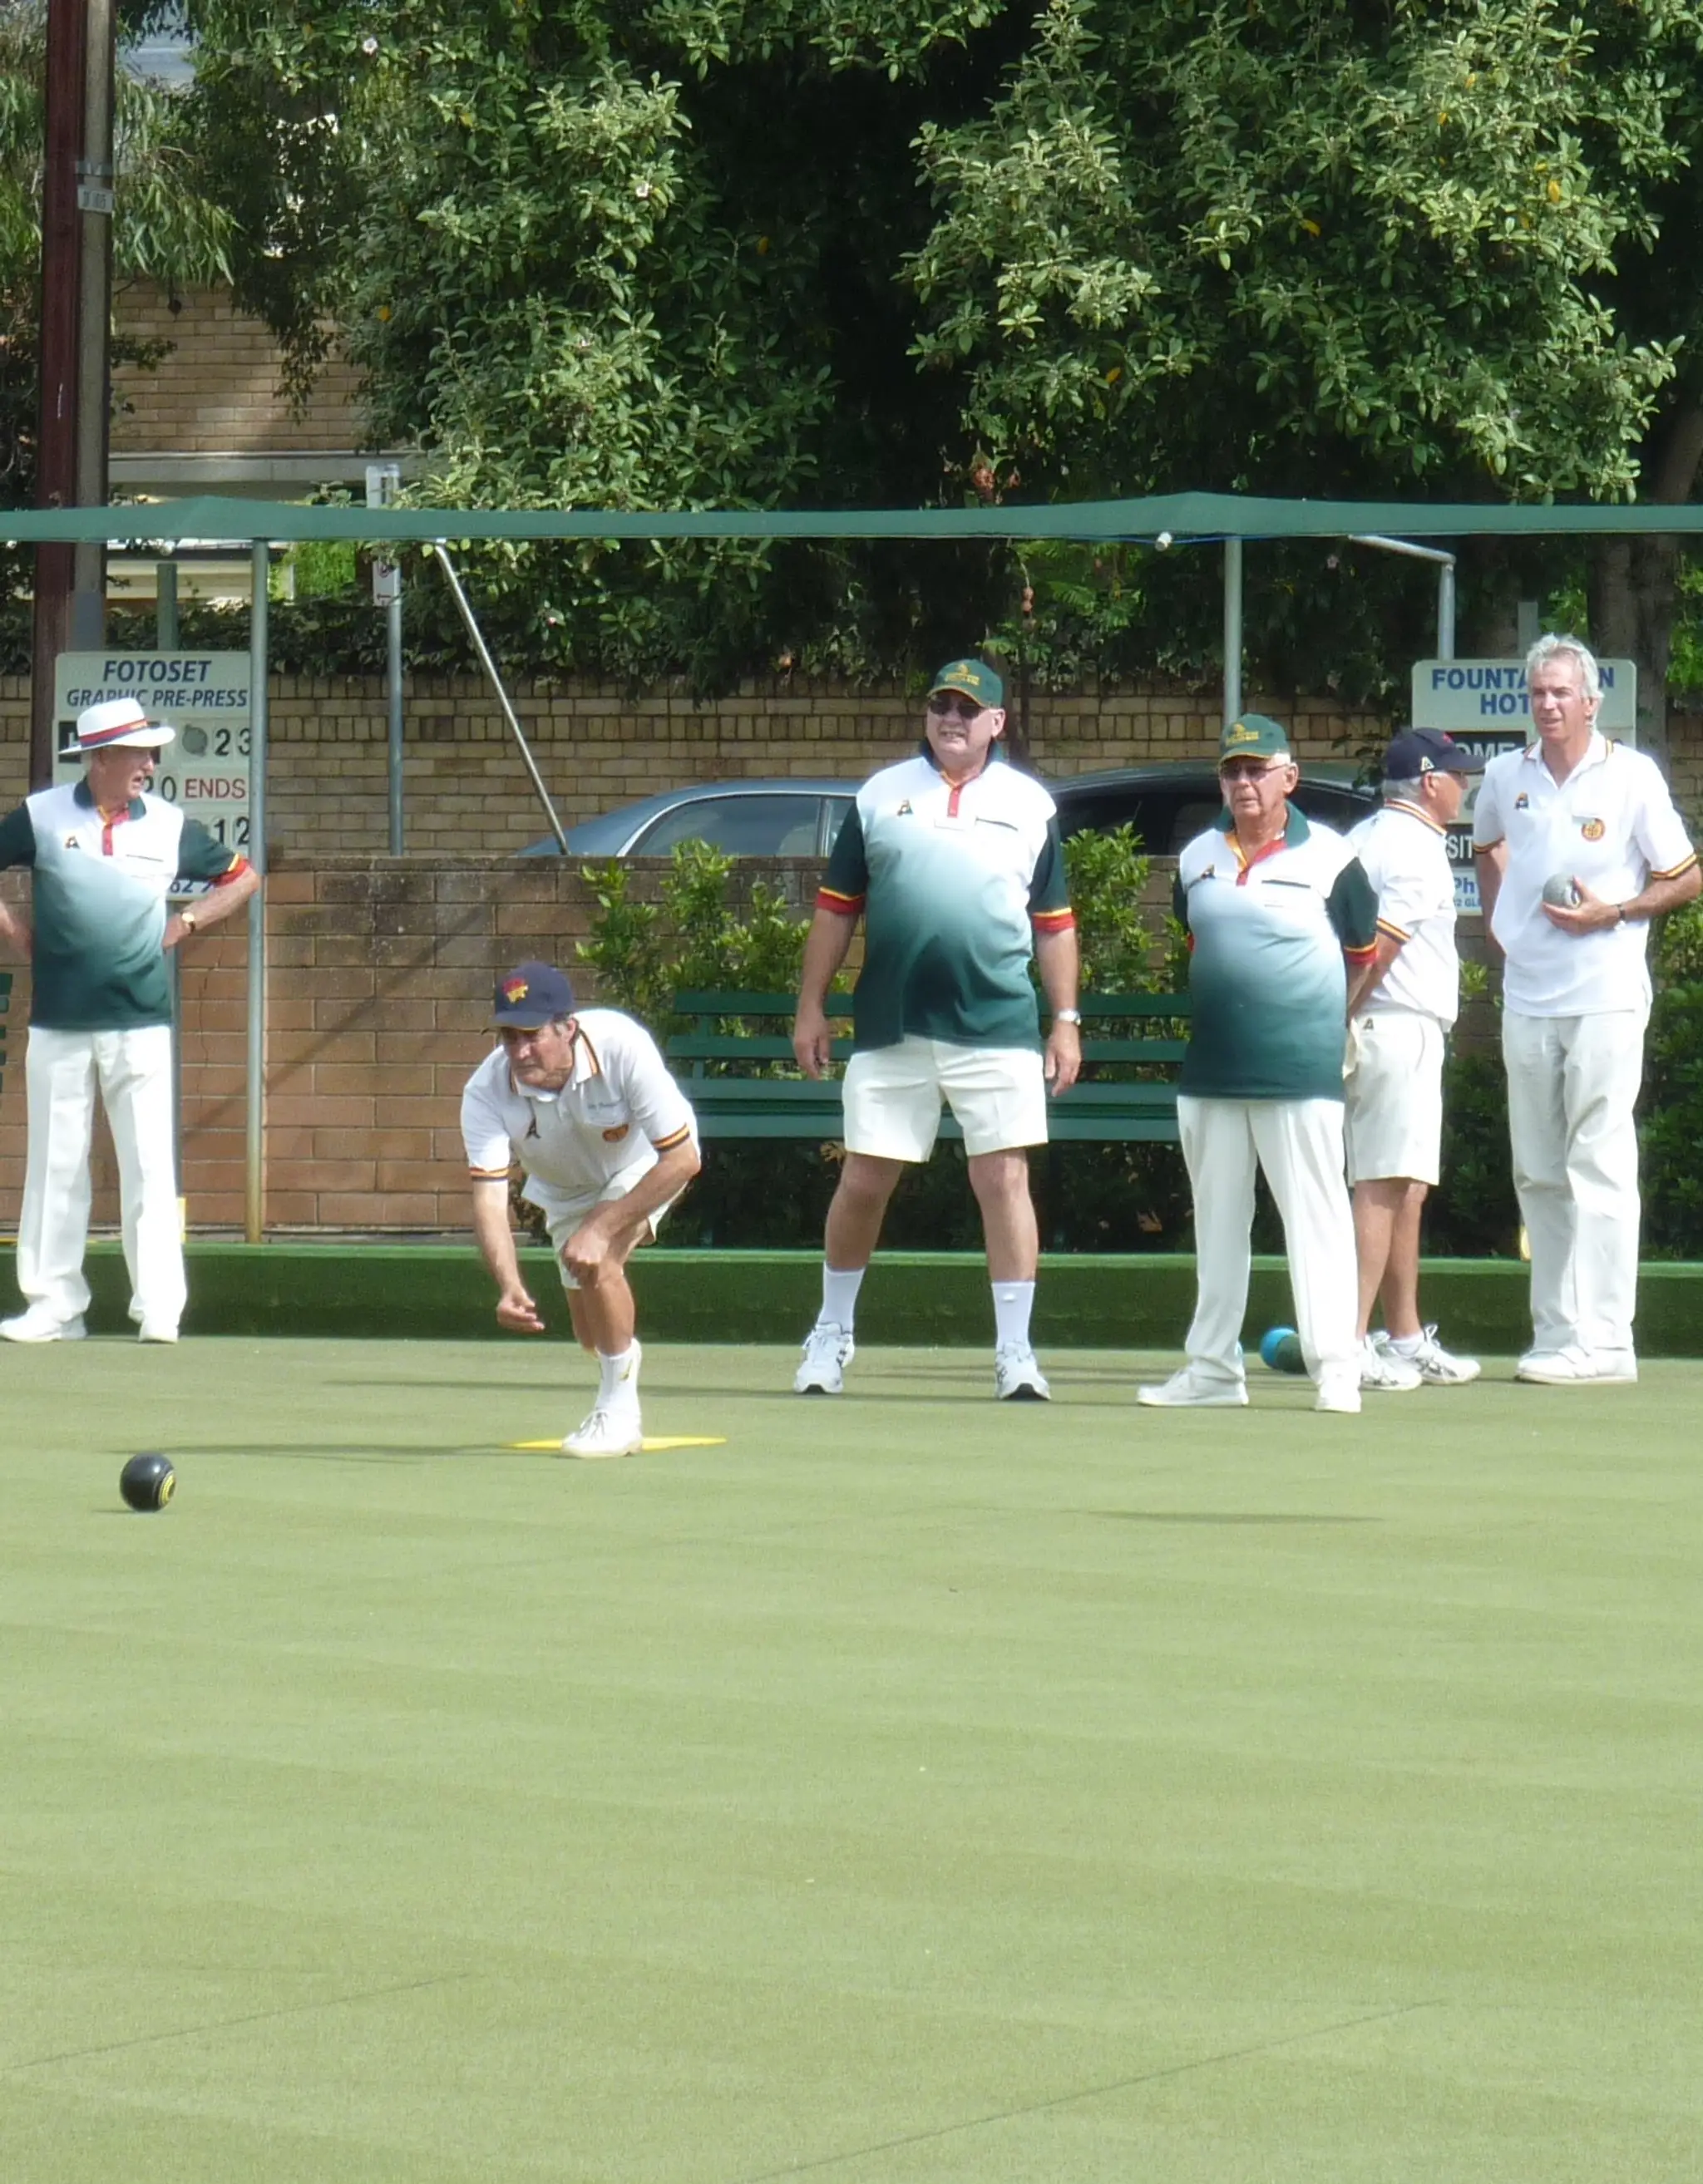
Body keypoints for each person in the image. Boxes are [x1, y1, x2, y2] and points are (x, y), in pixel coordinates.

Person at [790, 657, 1081, 1401]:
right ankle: (831, 1332)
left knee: (1003, 1177)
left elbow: (1054, 924)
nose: (951, 718)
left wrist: (1065, 1021)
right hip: (893, 1023)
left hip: (998, 1023)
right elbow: (835, 909)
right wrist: (811, 1005)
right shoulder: (880, 795)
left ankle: (1015, 1351)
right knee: (864, 1179)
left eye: (967, 708)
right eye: (941, 705)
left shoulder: (1029, 804)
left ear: (996, 722)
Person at [1472, 634, 1700, 1384]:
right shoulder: (1505, 775)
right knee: (1538, 1169)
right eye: (1538, 693)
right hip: (1528, 996)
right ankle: (1556, 1332)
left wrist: (1616, 912)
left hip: (1605, 994)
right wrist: (1503, 927)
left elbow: (1685, 876)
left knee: (1598, 1161)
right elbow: (1487, 844)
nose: (1548, 705)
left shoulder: (1632, 775)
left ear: (1592, 701)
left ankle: (1606, 1341)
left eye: (1561, 693)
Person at [1138, 713, 1380, 1415]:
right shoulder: (1197, 858)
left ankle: (1336, 1367)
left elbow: (1362, 957)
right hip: (1211, 1074)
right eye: (1232, 771)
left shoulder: (1332, 859)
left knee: (1316, 1220)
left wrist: (1316, 1023)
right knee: (1217, 1222)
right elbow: (1200, 944)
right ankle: (1214, 1368)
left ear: (1288, 777)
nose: (1243, 782)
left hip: (1299, 1074)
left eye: (1256, 769)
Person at [0, 696, 259, 1343]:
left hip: (141, 1021)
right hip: (57, 1022)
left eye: (151, 752)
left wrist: (187, 921)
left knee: (148, 1164)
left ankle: (160, 1307)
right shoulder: (42, 814)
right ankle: (55, 1307)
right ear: (101, 758)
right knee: (55, 1166)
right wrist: (14, 930)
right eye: (139, 753)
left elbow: (243, 877)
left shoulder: (169, 824)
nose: (150, 763)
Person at [460, 959, 701, 1457]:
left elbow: (683, 1159)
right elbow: (489, 1198)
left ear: (567, 1029)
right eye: (508, 1037)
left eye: (532, 1036)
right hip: (565, 1190)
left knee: (598, 1256)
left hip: (646, 1163)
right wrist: (508, 1285)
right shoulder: (484, 1092)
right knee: (590, 1335)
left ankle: (620, 1414)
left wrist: (603, 1227)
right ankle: (619, 1357)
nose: (519, 1051)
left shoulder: (621, 1046)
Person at [1343, 728, 1483, 1390]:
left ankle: (1402, 1335)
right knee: (1381, 1183)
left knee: (1406, 1187)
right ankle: (1347, 1341)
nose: (1464, 786)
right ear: (1430, 782)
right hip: (1393, 1026)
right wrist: (1335, 1017)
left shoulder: (1366, 836)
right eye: (1457, 775)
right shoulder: (1415, 847)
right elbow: (1376, 950)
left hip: (1398, 1027)